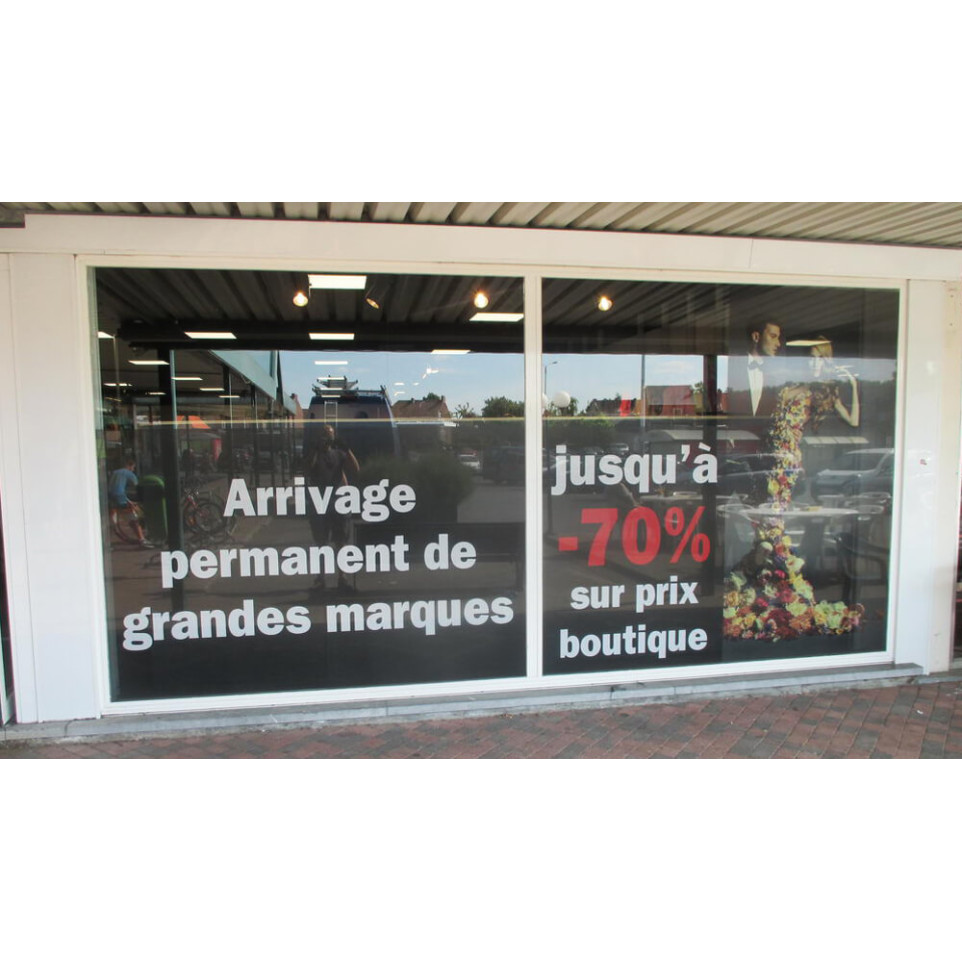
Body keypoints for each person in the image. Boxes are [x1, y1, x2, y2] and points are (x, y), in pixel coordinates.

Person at [723, 337, 863, 641]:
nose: (813, 364)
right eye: (809, 357)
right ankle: (766, 582)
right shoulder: (789, 385)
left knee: (771, 521)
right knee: (764, 523)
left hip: (786, 463)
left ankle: (776, 585)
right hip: (767, 458)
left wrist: (852, 383)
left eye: (818, 358)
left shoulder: (823, 392)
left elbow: (853, 420)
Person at [305, 423, 360, 595]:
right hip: (320, 503)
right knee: (321, 543)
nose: (326, 438)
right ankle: (320, 578)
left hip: (338, 502)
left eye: (329, 435)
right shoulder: (315, 455)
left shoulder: (338, 454)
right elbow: (307, 469)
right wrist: (316, 449)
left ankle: (342, 577)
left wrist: (347, 449)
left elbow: (355, 468)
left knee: (341, 542)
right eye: (323, 435)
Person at [727, 317, 783, 419]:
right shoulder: (732, 365)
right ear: (756, 337)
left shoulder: (773, 376)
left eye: (778, 338)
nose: (778, 343)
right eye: (773, 336)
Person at [108, 457, 147, 545]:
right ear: (130, 466)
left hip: (111, 497)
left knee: (114, 519)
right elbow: (136, 485)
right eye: (133, 467)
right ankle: (142, 539)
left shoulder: (115, 472)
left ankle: (113, 538)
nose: (133, 470)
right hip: (121, 497)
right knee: (133, 518)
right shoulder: (128, 473)